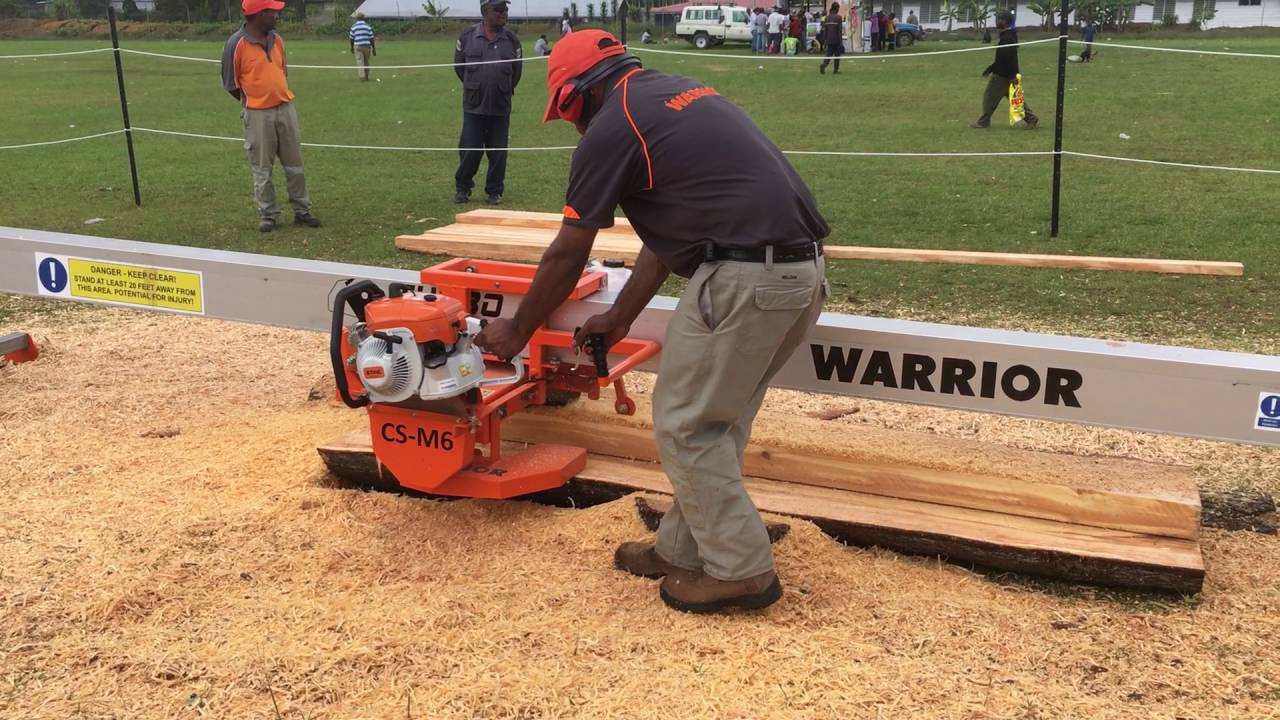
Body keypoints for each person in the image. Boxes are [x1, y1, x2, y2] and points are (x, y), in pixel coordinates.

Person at [475, 30, 829, 614]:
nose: (572, 128)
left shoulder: (613, 127)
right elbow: (673, 233)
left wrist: (515, 331)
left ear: (575, 96)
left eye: (565, 114)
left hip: (744, 277)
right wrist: (619, 316)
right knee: (717, 421)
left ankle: (740, 572)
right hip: (796, 273)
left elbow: (568, 252)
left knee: (686, 426)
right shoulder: (673, 94)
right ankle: (683, 552)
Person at [220, 0, 320, 233]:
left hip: (285, 108)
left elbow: (282, 73)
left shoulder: (278, 40)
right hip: (257, 115)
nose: (277, 16)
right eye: (272, 12)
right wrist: (254, 103)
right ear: (258, 14)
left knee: (295, 165)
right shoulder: (236, 44)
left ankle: (302, 210)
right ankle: (268, 215)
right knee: (262, 168)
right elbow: (230, 84)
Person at [453, 0, 523, 205]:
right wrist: (476, 86)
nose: (504, 13)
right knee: (470, 148)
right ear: (485, 11)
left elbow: (517, 73)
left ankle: (495, 191)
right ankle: (463, 188)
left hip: (500, 107)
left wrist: (501, 88)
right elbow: (460, 68)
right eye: (499, 9)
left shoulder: (512, 40)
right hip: (474, 106)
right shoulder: (466, 38)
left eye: (506, 9)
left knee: (498, 151)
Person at [972, 10, 1038, 129]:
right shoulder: (1007, 36)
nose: (997, 22)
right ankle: (1031, 118)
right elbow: (1002, 58)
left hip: (1002, 76)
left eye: (1000, 19)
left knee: (989, 98)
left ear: (1005, 22)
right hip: (1006, 74)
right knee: (1015, 99)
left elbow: (1011, 59)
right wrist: (990, 69)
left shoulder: (1007, 38)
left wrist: (1013, 76)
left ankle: (983, 122)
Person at [818, 2, 844, 74]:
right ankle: (835, 70)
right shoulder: (839, 17)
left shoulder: (827, 18)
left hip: (829, 40)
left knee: (828, 55)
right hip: (836, 40)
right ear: (836, 8)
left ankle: (824, 65)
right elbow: (839, 31)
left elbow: (825, 30)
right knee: (837, 56)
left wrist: (825, 40)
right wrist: (841, 42)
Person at [349, 13, 375, 81]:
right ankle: (367, 77)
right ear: (363, 18)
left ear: (356, 18)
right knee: (367, 61)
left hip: (358, 46)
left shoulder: (353, 26)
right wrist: (374, 49)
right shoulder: (367, 26)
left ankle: (362, 77)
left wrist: (351, 47)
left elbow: (351, 38)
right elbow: (371, 38)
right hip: (367, 46)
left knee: (360, 61)